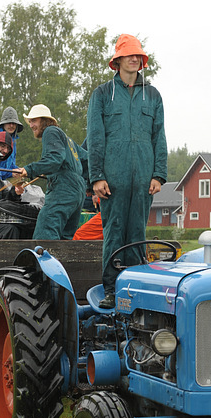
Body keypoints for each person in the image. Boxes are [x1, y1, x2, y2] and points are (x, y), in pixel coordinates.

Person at [87, 34, 167, 307]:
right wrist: (96, 176)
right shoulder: (102, 95)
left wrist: (159, 174)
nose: (135, 59)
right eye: (130, 55)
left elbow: (160, 136)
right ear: (117, 60)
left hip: (144, 178)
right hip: (113, 180)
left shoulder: (153, 95)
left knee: (137, 234)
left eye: (139, 56)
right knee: (114, 231)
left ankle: (135, 289)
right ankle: (111, 289)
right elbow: (95, 137)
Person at [20, 104, 87, 240]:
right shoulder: (68, 140)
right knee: (64, 239)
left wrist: (28, 170)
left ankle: (43, 262)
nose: (31, 125)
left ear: (44, 120)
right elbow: (87, 159)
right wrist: (90, 185)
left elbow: (55, 159)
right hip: (78, 191)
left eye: (34, 120)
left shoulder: (50, 131)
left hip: (63, 188)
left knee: (45, 235)